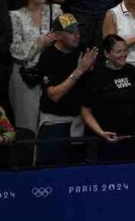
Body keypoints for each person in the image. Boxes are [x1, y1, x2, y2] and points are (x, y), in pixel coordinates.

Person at [37, 14, 99, 165]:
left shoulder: (82, 50)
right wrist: (80, 70)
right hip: (55, 124)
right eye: (71, 32)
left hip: (80, 122)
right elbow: (54, 95)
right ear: (57, 35)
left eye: (78, 31)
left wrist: (91, 69)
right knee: (53, 173)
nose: (77, 35)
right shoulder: (47, 57)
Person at [9, 0, 64, 139]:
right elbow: (15, 50)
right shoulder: (15, 17)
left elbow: (71, 33)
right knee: (27, 125)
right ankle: (28, 161)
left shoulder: (57, 10)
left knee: (52, 124)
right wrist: (39, 43)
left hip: (51, 74)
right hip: (25, 77)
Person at [80, 34, 135, 161]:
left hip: (133, 140)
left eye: (125, 50)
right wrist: (100, 132)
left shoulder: (132, 71)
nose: (123, 55)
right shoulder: (95, 76)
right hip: (107, 142)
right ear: (107, 54)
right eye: (118, 51)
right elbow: (86, 111)